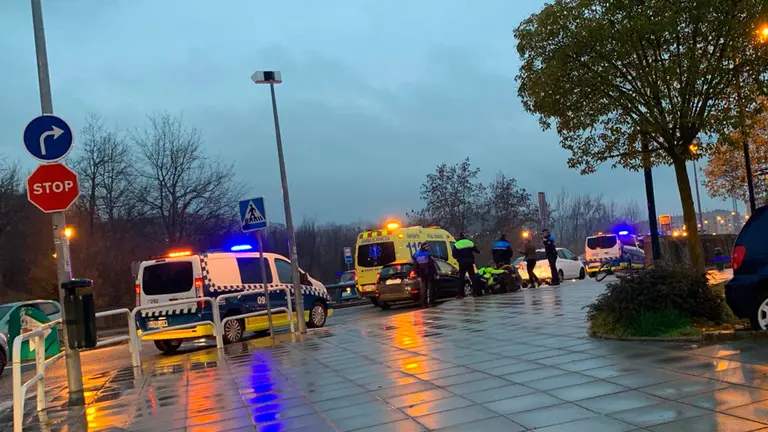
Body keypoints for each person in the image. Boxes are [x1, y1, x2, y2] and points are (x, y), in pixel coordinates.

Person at [452, 232, 480, 298]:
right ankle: (475, 292)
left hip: (462, 263)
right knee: (472, 277)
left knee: (461, 278)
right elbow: (477, 250)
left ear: (460, 236)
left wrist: (458, 258)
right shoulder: (469, 242)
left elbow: (454, 254)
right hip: (470, 262)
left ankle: (461, 294)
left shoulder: (457, 244)